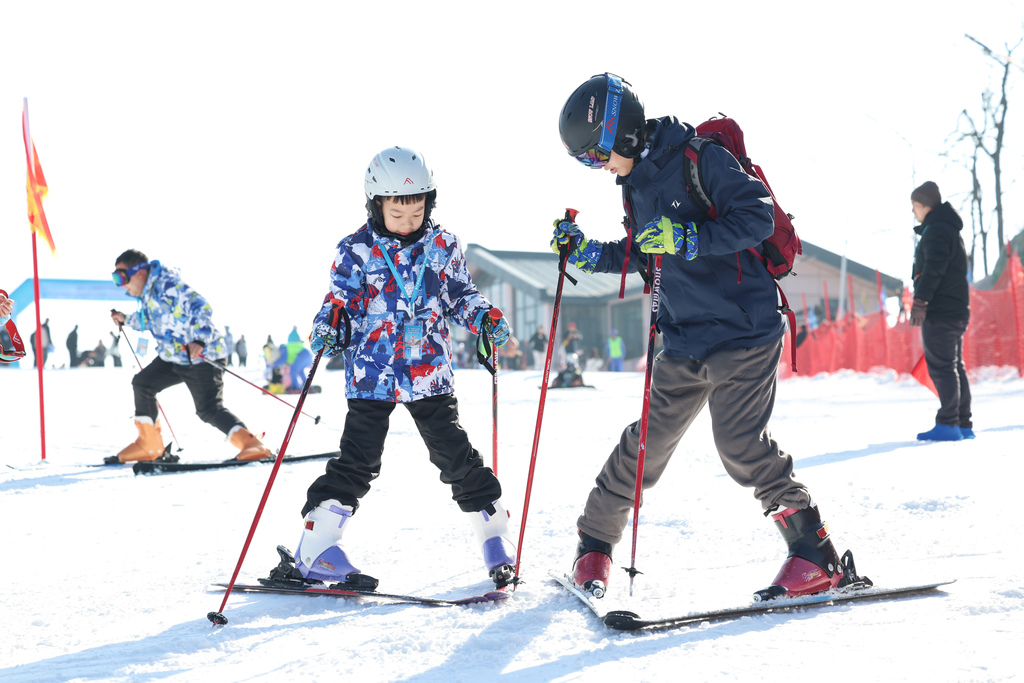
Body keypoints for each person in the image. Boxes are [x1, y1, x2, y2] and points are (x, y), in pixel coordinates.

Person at [553, 73, 859, 600]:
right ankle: (594, 546)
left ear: (621, 132)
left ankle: (816, 555)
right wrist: (587, 252)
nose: (596, 167)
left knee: (740, 445)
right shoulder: (636, 183)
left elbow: (757, 216)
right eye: (584, 161)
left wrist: (690, 237)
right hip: (683, 338)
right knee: (642, 445)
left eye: (595, 154)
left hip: (744, 330)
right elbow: (646, 252)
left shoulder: (701, 157)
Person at [292, 146, 517, 590]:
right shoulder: (355, 249)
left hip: (427, 370)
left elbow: (460, 295)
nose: (408, 223)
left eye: (416, 213)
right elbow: (339, 301)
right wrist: (330, 326)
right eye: (397, 215)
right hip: (371, 376)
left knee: (455, 455)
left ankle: (495, 535)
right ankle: (316, 545)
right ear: (376, 205)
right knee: (358, 461)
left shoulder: (444, 245)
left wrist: (484, 317)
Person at [107, 249, 272, 463]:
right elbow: (148, 321)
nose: (121, 285)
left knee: (208, 409)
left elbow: (200, 307)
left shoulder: (169, 286)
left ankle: (253, 445)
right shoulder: (148, 295)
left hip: (201, 354)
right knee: (143, 383)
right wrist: (126, 319)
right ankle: (149, 445)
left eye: (121, 277)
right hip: (174, 356)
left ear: (139, 272)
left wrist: (199, 339)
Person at [909, 181, 973, 441]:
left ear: (925, 205)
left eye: (914, 206)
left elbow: (933, 270)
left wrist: (921, 301)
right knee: (954, 366)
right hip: (955, 309)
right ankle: (962, 423)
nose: (913, 212)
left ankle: (948, 424)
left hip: (941, 310)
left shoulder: (936, 231)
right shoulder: (947, 230)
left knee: (944, 367)